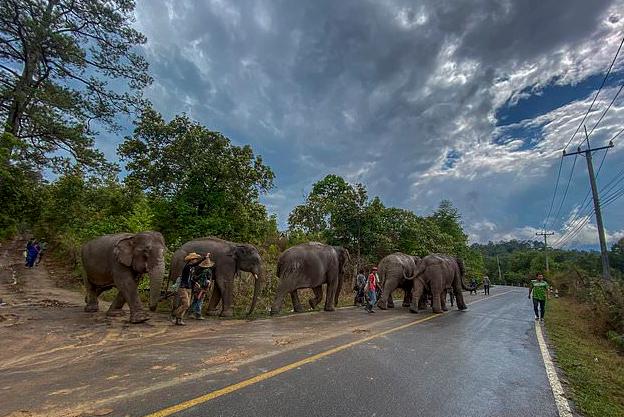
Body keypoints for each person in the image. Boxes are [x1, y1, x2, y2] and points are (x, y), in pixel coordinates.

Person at [173, 252, 205, 325]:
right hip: (183, 287)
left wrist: (195, 283)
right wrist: (204, 258)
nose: (196, 261)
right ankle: (175, 314)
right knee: (186, 304)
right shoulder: (187, 266)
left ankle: (179, 320)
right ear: (191, 260)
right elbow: (195, 264)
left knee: (186, 305)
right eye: (195, 259)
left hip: (189, 288)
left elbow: (190, 278)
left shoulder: (191, 268)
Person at [190, 255, 215, 320]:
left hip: (196, 286)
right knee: (200, 300)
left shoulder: (197, 269)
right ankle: (198, 314)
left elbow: (194, 278)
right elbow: (208, 281)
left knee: (195, 299)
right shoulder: (208, 271)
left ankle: (191, 313)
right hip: (202, 288)